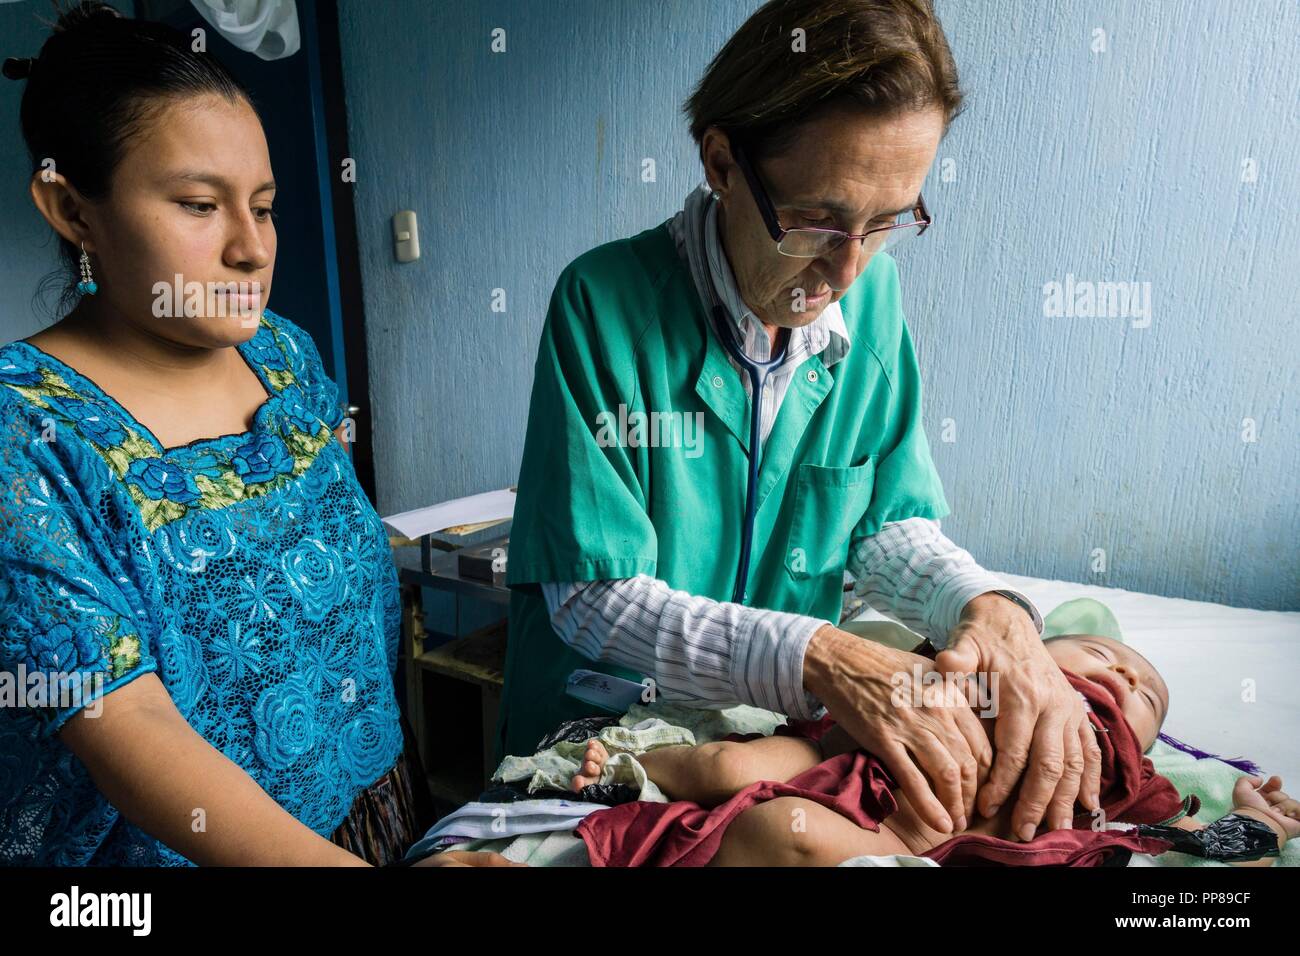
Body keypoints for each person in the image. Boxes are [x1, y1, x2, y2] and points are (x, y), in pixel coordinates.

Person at [499, 0, 1100, 844]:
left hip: (772, 737)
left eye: (887, 222)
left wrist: (985, 607)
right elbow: (595, 599)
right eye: (819, 219)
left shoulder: (874, 302)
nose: (848, 268)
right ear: (721, 162)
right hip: (610, 734)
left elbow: (883, 524)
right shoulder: (603, 307)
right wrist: (820, 656)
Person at [0, 1, 512, 867]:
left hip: (373, 801)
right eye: (200, 205)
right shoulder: (29, 435)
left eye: (265, 207)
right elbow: (123, 716)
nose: (251, 249)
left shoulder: (282, 355)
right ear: (69, 207)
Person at [569, 633, 1299, 866]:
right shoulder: (985, 670)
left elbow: (1175, 842)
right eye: (1102, 654)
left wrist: (1249, 821)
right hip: (862, 758)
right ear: (1032, 655)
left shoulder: (1120, 776)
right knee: (727, 766)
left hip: (917, 835)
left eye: (1149, 699)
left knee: (779, 833)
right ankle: (638, 764)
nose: (1127, 677)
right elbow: (896, 685)